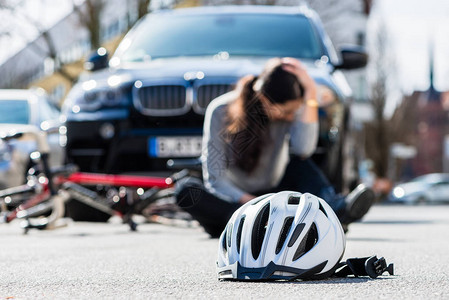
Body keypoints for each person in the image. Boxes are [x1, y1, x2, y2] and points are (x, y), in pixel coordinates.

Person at [176, 57, 374, 237]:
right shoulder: (220, 110)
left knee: (301, 164)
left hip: (274, 195)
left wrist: (310, 94)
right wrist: (256, 206)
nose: (291, 116)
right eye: (287, 112)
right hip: (235, 203)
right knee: (186, 191)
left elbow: (304, 149)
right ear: (264, 100)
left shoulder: (290, 110)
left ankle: (333, 208)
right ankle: (258, 223)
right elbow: (215, 178)